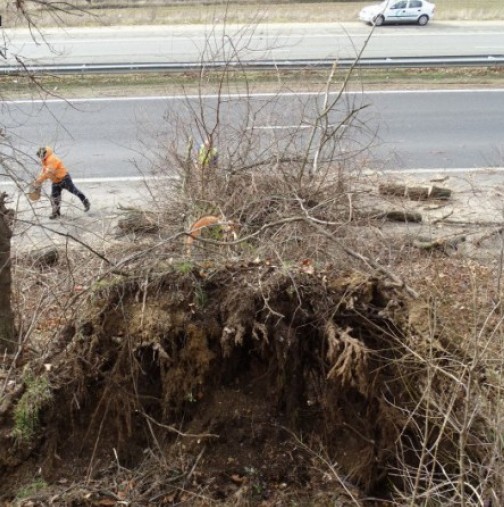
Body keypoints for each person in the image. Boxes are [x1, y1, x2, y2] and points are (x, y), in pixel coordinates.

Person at [33, 146, 90, 219]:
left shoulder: (51, 159)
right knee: (54, 197)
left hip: (64, 178)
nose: (40, 158)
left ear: (44, 154)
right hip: (55, 181)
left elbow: (48, 172)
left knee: (74, 191)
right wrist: (38, 180)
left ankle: (85, 201)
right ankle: (56, 214)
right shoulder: (45, 160)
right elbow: (44, 171)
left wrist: (39, 181)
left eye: (40, 156)